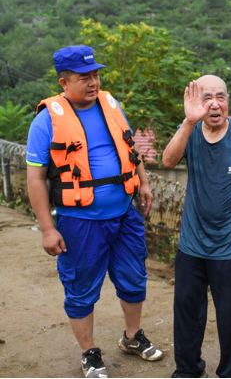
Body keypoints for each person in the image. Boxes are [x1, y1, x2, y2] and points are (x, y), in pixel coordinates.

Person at [26, 45, 163, 379]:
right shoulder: (47, 120)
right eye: (84, 77)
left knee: (133, 279)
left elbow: (131, 149)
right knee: (81, 289)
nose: (93, 82)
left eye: (96, 75)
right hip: (79, 222)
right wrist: (47, 228)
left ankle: (132, 337)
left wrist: (143, 183)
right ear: (64, 81)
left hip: (123, 214)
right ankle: (89, 353)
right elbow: (35, 178)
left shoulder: (112, 106)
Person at [162, 75, 231, 378]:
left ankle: (229, 371)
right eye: (206, 97)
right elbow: (168, 160)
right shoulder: (191, 132)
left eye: (220, 97)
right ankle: (187, 370)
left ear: (228, 101)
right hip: (192, 244)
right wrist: (187, 122)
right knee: (186, 311)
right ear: (198, 103)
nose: (214, 104)